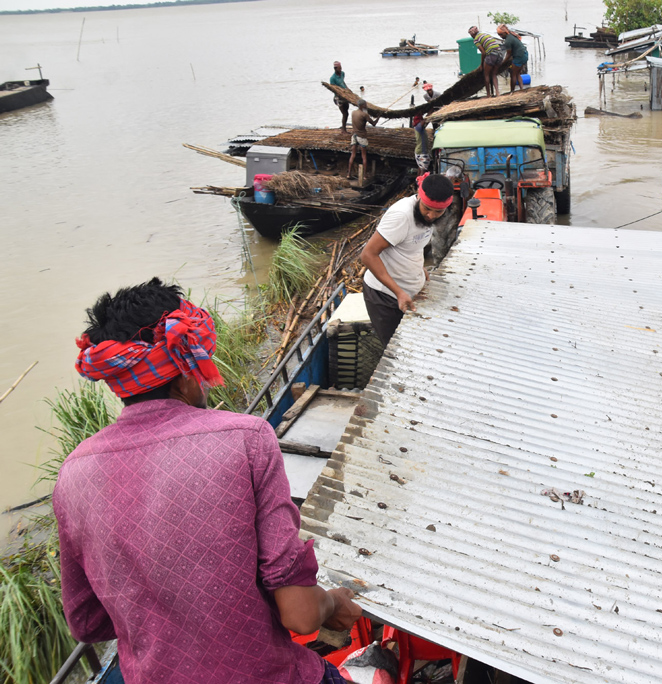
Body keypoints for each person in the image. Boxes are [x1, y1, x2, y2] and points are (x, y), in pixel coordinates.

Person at [55, 278, 362, 684]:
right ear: (185, 373)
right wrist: (333, 603)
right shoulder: (247, 438)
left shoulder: (73, 473)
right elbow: (301, 616)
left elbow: (88, 624)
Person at [360, 174, 454, 345]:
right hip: (385, 296)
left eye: (438, 211)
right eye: (427, 208)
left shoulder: (428, 216)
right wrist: (398, 292)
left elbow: (412, 246)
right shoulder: (401, 216)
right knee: (396, 349)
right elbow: (368, 255)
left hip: (408, 290)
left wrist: (420, 268)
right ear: (419, 196)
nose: (431, 216)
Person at [468, 26, 503, 98]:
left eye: (470, 34)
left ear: (473, 34)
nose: (471, 36)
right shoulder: (485, 34)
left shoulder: (476, 39)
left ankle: (488, 95)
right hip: (499, 53)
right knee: (494, 74)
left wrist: (481, 64)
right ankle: (497, 93)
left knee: (486, 74)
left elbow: (483, 53)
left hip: (491, 54)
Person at [347, 99, 378, 179]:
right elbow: (373, 123)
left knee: (352, 155)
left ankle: (348, 174)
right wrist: (379, 117)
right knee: (364, 156)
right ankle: (365, 175)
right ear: (362, 105)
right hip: (361, 136)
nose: (366, 106)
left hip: (354, 135)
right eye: (365, 105)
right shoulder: (364, 114)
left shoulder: (353, 112)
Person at [497, 24, 529, 93]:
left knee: (513, 74)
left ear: (505, 32)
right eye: (499, 35)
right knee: (517, 74)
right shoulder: (512, 35)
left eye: (501, 34)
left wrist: (502, 63)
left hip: (519, 57)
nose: (500, 36)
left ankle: (512, 91)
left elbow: (508, 54)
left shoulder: (508, 41)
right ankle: (521, 89)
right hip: (524, 54)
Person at [330, 61, 350, 130]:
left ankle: (344, 128)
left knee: (347, 113)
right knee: (344, 113)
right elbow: (334, 89)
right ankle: (343, 130)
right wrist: (341, 93)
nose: (340, 69)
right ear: (335, 68)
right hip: (338, 98)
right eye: (339, 68)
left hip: (345, 96)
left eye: (341, 68)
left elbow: (343, 82)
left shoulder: (342, 74)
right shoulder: (332, 78)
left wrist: (347, 89)